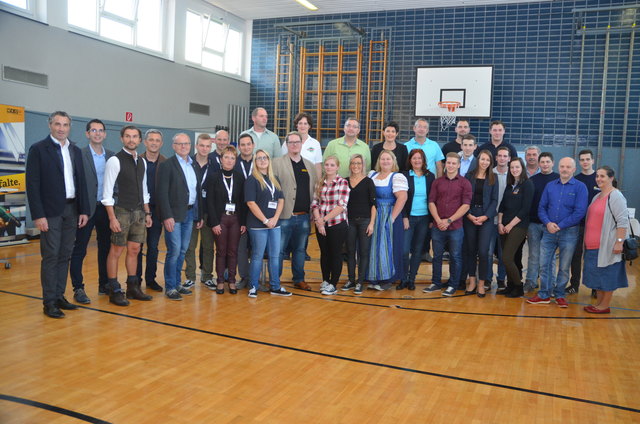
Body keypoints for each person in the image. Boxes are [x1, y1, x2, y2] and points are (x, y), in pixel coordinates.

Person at [26, 111, 89, 318]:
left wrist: (84, 210)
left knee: (65, 255)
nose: (61, 128)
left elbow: (81, 183)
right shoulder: (38, 149)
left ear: (70, 127)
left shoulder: (75, 150)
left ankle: (60, 296)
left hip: (72, 209)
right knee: (51, 256)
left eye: (65, 125)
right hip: (50, 212)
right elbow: (32, 185)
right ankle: (49, 301)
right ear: (49, 125)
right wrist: (38, 215)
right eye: (57, 124)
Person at [102, 125, 153, 306]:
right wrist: (112, 218)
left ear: (140, 140)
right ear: (122, 139)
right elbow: (106, 194)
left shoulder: (142, 161)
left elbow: (144, 189)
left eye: (135, 137)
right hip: (121, 211)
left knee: (135, 250)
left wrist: (147, 212)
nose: (131, 140)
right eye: (128, 136)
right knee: (116, 250)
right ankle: (114, 290)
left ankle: (132, 287)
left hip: (139, 212)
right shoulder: (114, 161)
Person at [527, 157, 587, 307]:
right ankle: (544, 294)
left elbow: (579, 212)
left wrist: (560, 225)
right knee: (544, 264)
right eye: (562, 166)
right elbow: (542, 207)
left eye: (568, 167)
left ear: (574, 169)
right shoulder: (550, 186)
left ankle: (560, 294)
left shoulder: (580, 187)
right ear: (558, 168)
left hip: (569, 232)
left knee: (564, 267)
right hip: (548, 231)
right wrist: (548, 223)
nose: (564, 169)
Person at [69, 119, 114, 304]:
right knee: (80, 249)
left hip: (106, 209)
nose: (97, 133)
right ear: (87, 133)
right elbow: (75, 183)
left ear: (104, 134)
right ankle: (78, 288)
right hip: (86, 210)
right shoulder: (79, 154)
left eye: (100, 130)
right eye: (93, 130)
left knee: (105, 248)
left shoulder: (112, 156)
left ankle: (104, 284)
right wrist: (80, 209)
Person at [156, 133, 203, 300]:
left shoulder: (194, 165)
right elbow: (161, 193)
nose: (183, 146)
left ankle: (177, 283)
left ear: (190, 146)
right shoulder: (167, 165)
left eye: (186, 143)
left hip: (190, 214)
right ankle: (170, 286)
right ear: (173, 146)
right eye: (180, 144)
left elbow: (197, 192)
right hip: (173, 216)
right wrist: (166, 216)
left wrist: (199, 215)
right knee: (174, 250)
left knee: (183, 250)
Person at [273, 131, 317, 291]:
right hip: (284, 216)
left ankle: (299, 278)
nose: (294, 145)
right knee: (278, 251)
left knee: (300, 250)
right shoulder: (276, 163)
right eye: (291, 142)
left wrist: (313, 212)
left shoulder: (310, 166)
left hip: (304, 217)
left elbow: (314, 189)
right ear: (286, 144)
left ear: (301, 144)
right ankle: (275, 281)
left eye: (297, 142)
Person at [582, 166, 629, 314]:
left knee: (607, 276)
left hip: (607, 246)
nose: (599, 179)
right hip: (592, 246)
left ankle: (604, 305)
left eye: (602, 176)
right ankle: (599, 304)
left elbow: (622, 222)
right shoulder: (597, 196)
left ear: (611, 178)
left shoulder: (616, 196)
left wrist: (619, 241)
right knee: (597, 277)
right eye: (597, 176)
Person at [424, 153, 471, 296]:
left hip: (455, 227)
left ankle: (453, 285)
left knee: (455, 256)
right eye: (448, 163)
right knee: (437, 255)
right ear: (445, 165)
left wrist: (449, 220)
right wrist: (438, 220)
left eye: (453, 163)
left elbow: (466, 205)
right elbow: (431, 202)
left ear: (458, 165)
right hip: (438, 226)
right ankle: (436, 283)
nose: (450, 166)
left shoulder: (465, 183)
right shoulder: (437, 182)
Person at [245, 150, 291, 298]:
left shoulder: (274, 178)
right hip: (258, 226)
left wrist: (275, 219)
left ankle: (275, 286)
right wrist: (265, 220)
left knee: (275, 256)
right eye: (259, 158)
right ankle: (253, 286)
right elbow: (251, 203)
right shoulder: (252, 180)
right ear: (255, 161)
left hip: (274, 225)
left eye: (265, 158)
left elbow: (281, 200)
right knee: (257, 255)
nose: (263, 160)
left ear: (269, 160)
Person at [206, 146, 246, 295]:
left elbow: (242, 202)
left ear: (235, 161)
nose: (229, 160)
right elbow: (209, 202)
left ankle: (232, 281)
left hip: (235, 218)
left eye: (232, 158)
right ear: (221, 159)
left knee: (233, 251)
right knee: (221, 251)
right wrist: (214, 222)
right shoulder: (213, 177)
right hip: (220, 218)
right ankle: (220, 281)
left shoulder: (240, 177)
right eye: (226, 157)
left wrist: (243, 222)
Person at [367, 150, 408, 291]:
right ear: (379, 161)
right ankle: (374, 276)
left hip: (389, 214)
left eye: (388, 159)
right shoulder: (372, 175)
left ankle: (386, 279)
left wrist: (391, 218)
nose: (385, 162)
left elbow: (402, 198)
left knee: (387, 247)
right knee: (373, 246)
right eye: (383, 159)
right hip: (373, 215)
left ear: (393, 161)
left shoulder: (397, 177)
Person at [312, 156, 351, 295]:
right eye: (327, 165)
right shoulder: (320, 183)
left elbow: (342, 206)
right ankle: (325, 280)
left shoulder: (343, 183)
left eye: (332, 165)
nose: (329, 167)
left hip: (337, 224)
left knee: (335, 254)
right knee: (325, 253)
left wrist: (324, 219)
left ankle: (333, 284)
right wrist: (318, 221)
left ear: (337, 167)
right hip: (321, 225)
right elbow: (315, 203)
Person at [462, 150, 498, 297]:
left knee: (483, 252)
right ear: (478, 160)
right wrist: (469, 215)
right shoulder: (468, 176)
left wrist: (485, 216)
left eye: (487, 160)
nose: (484, 162)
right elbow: (464, 197)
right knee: (471, 250)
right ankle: (472, 281)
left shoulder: (493, 178)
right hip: (470, 216)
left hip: (486, 218)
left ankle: (482, 283)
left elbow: (494, 200)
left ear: (490, 162)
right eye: (482, 159)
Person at [497, 158, 534, 298]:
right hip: (504, 225)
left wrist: (510, 225)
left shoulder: (527, 185)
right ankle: (510, 285)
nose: (514, 170)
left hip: (518, 226)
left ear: (522, 168)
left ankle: (518, 287)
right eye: (512, 167)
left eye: (517, 167)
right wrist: (500, 223)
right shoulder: (510, 185)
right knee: (508, 257)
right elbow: (501, 206)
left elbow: (525, 209)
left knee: (507, 257)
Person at [399, 149, 434, 290]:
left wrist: (432, 219)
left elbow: (433, 199)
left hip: (424, 219)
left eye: (419, 158)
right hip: (409, 218)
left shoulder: (430, 176)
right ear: (410, 160)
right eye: (414, 158)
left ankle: (412, 279)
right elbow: (400, 199)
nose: (417, 161)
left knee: (418, 250)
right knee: (404, 250)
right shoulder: (404, 176)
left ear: (423, 160)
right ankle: (403, 278)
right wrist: (405, 217)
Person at [184, 133, 216, 290]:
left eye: (208, 146)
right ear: (196, 146)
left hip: (208, 212)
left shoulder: (215, 165)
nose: (204, 149)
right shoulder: (188, 163)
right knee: (190, 245)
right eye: (201, 145)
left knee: (208, 246)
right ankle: (190, 276)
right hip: (191, 211)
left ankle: (207, 276)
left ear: (211, 148)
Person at [524, 152, 558, 293]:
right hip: (534, 224)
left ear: (552, 163)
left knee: (549, 256)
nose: (545, 164)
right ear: (539, 164)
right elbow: (528, 202)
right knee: (534, 254)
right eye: (542, 162)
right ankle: (531, 281)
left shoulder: (558, 179)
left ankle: (551, 283)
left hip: (551, 224)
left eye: (547, 162)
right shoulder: (533, 180)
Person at [137, 129, 166, 292]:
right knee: (136, 247)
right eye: (151, 140)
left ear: (161, 144)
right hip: (138, 211)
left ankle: (150, 279)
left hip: (157, 211)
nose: (154, 142)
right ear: (145, 142)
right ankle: (135, 280)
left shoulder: (166, 163)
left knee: (153, 247)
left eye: (157, 140)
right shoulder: (136, 160)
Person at [343, 154, 376, 294]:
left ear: (363, 165)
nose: (356, 166)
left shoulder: (368, 182)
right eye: (353, 163)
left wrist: (372, 224)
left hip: (365, 221)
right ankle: (351, 279)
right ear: (350, 165)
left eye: (358, 163)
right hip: (349, 221)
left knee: (363, 252)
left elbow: (374, 205)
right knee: (350, 252)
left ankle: (360, 281)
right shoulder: (344, 181)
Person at [568, 149, 599, 295]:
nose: (585, 162)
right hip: (578, 225)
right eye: (582, 159)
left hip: (596, 227)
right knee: (576, 256)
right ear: (579, 162)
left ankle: (595, 287)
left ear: (593, 161)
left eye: (588, 159)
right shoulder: (576, 179)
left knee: (593, 257)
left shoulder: (600, 178)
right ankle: (574, 285)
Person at [486, 146, 510, 290]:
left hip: (505, 222)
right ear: (495, 158)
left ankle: (501, 279)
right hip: (489, 221)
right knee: (488, 252)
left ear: (508, 158)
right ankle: (487, 279)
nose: (502, 158)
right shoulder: (490, 174)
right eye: (499, 155)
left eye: (504, 156)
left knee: (503, 254)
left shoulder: (513, 175)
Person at [234, 134, 255, 289]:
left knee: (256, 248)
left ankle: (255, 279)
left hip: (257, 212)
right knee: (241, 248)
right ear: (239, 147)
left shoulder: (261, 162)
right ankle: (244, 277)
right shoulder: (234, 163)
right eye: (243, 144)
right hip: (239, 212)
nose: (246, 147)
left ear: (253, 145)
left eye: (248, 144)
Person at [281, 112, 322, 177]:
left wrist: (318, 182)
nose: (303, 126)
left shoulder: (315, 144)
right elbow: (282, 163)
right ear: (296, 125)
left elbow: (318, 166)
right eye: (300, 123)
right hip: (291, 178)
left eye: (305, 123)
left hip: (310, 179)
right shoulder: (287, 142)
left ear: (309, 126)